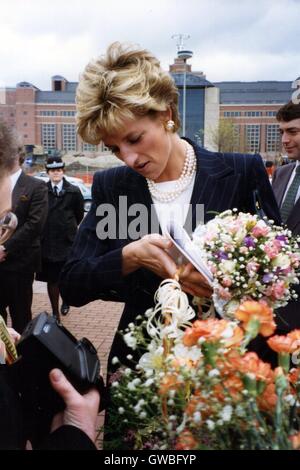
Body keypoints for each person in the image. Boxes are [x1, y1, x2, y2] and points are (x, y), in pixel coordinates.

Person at [59, 42, 281, 373]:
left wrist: (224, 288)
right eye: (114, 148)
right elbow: (72, 284)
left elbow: (281, 272)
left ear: (166, 115)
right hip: (141, 369)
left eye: (134, 139)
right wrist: (129, 257)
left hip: (229, 367)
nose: (128, 158)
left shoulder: (240, 172)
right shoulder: (112, 187)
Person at [0, 120, 99, 450]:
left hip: (28, 260)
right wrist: (75, 433)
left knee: (23, 313)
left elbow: (41, 223)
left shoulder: (45, 188)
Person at [0, 138, 48, 333]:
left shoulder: (36, 186)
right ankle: (2, 361)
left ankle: (21, 362)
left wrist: (5, 248)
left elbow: (35, 225)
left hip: (20, 264)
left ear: (18, 156)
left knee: (21, 317)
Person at [36, 157, 84, 320]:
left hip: (67, 241)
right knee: (52, 279)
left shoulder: (74, 191)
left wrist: (68, 228)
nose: (55, 173)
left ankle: (66, 300)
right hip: (48, 242)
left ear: (63, 171)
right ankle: (55, 312)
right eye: (52, 171)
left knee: (66, 276)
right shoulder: (42, 190)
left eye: (58, 170)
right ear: (48, 173)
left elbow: (79, 215)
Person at [272, 101, 300, 332]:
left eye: (293, 131)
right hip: (275, 305)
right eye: (282, 132)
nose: (284, 139)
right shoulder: (282, 173)